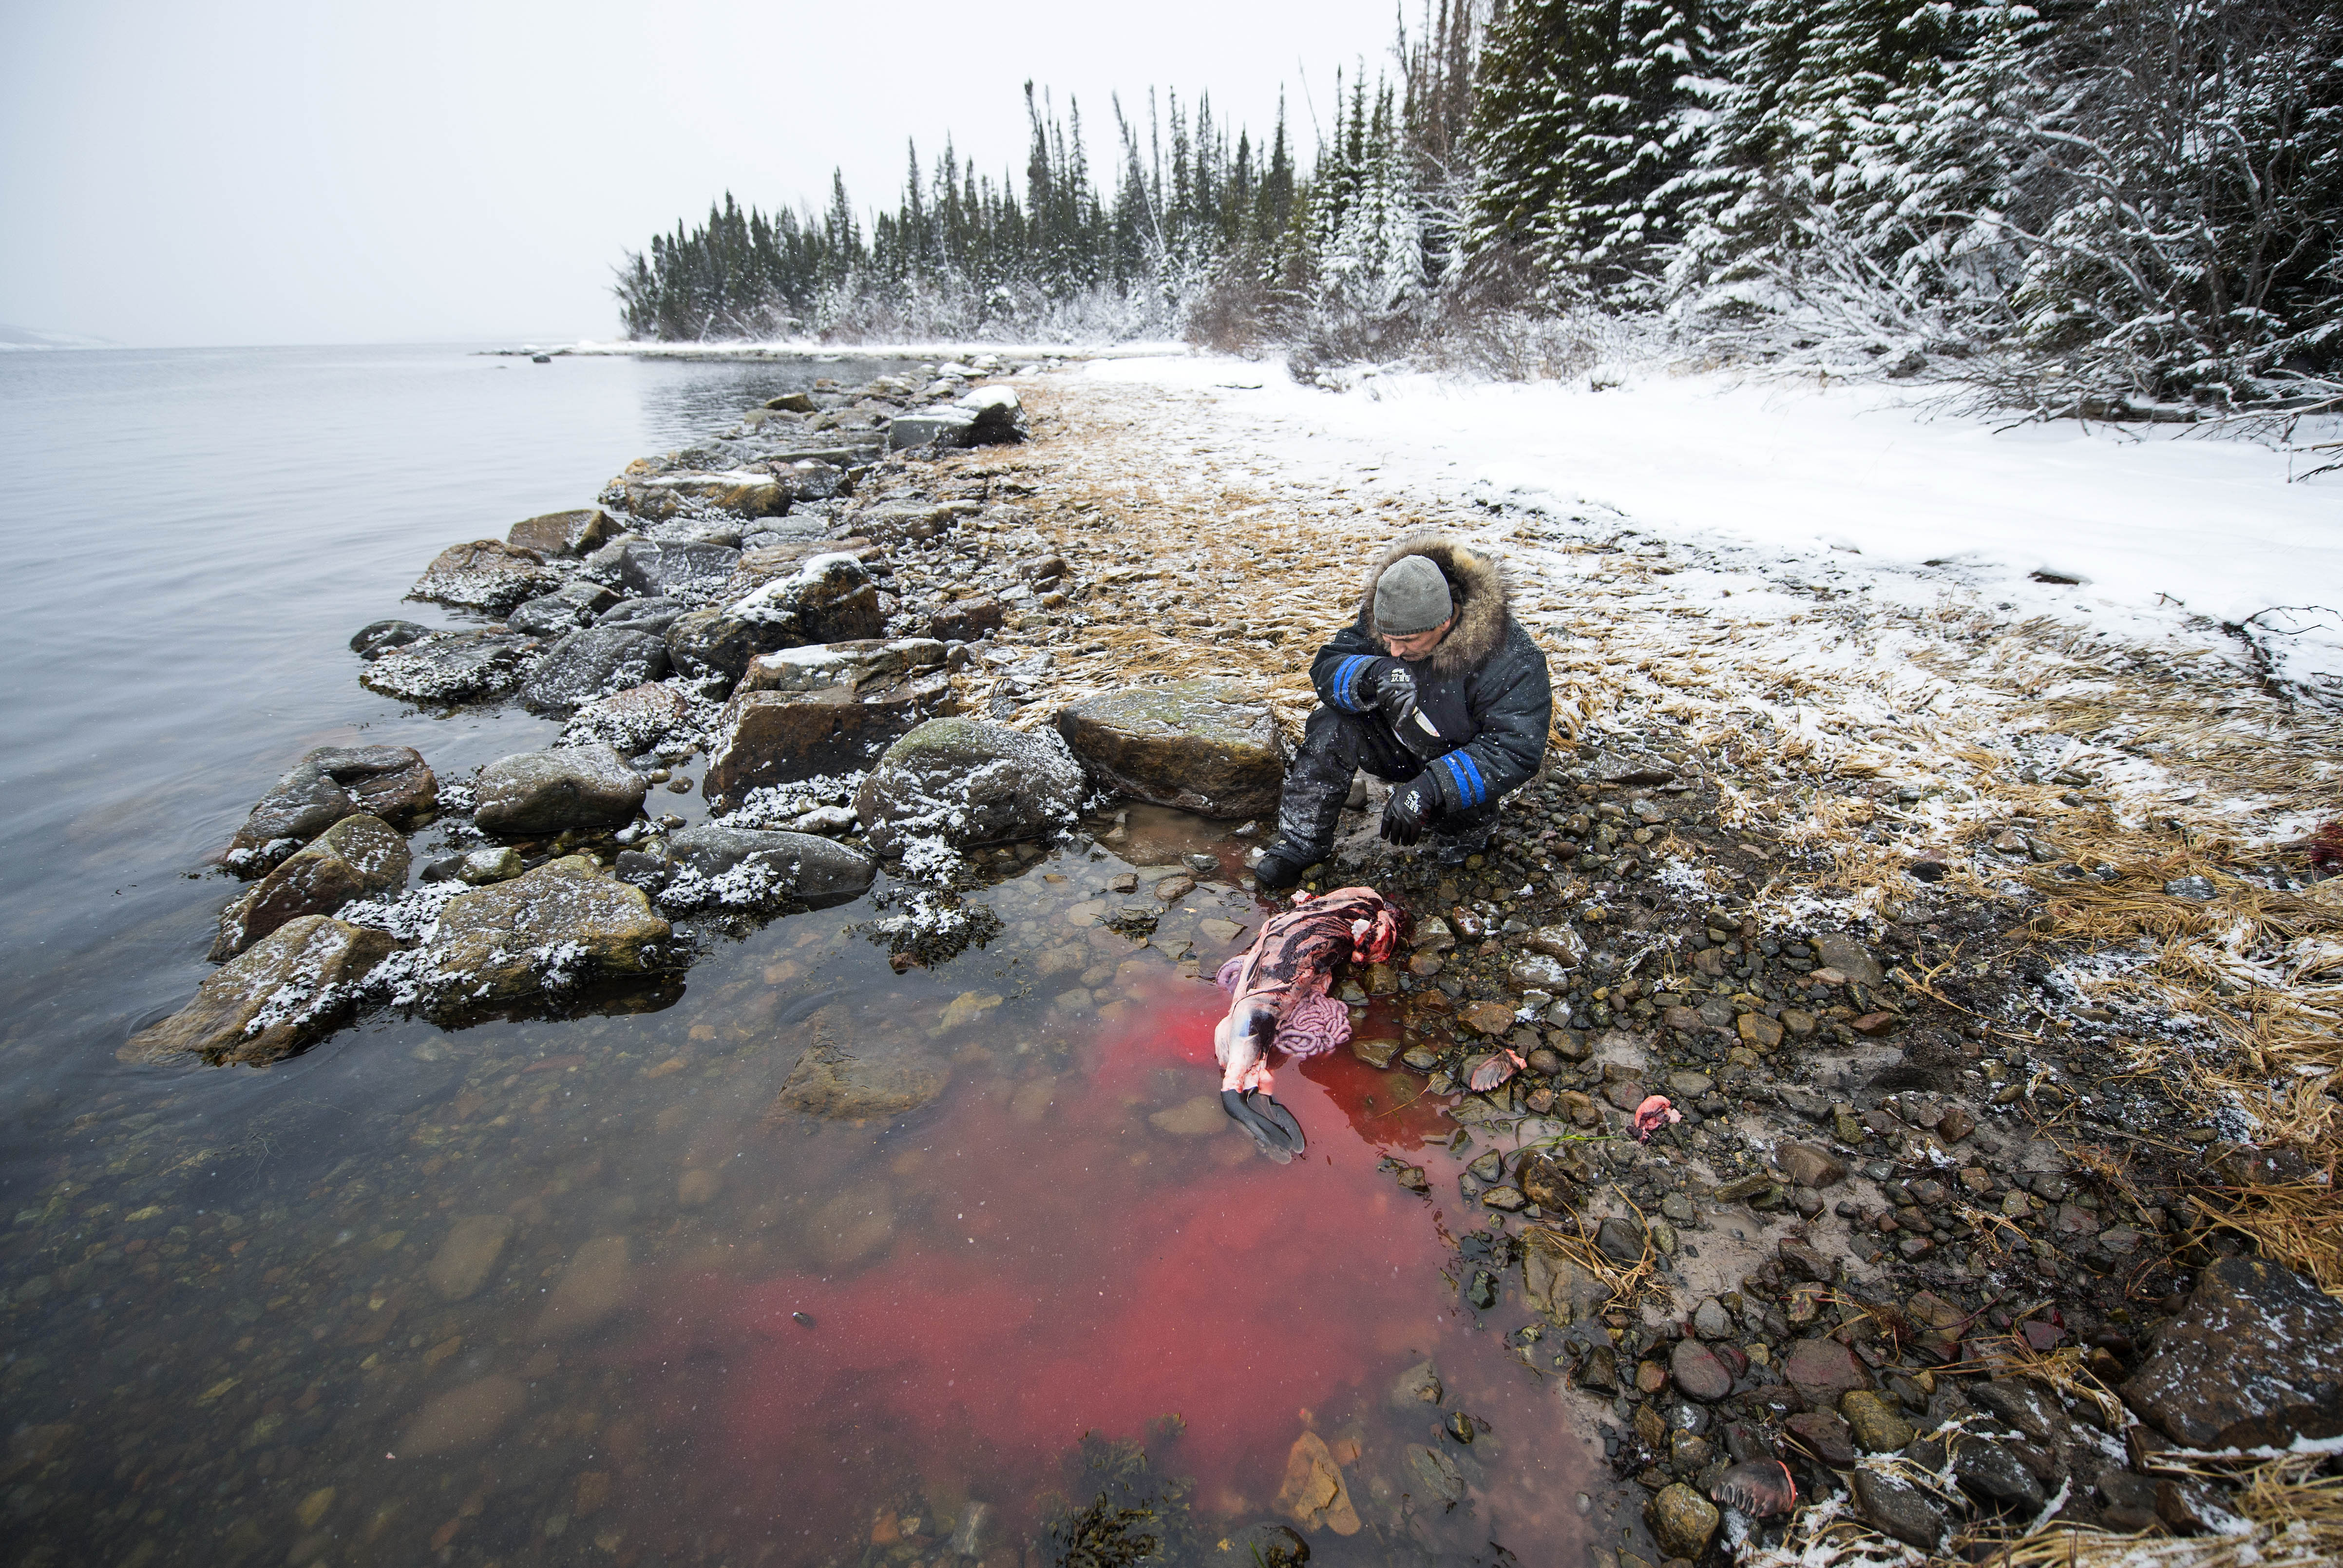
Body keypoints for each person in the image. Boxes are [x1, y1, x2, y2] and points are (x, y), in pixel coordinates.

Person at [1253, 535, 1553, 891]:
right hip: (1395, 742)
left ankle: (1463, 827)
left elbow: (1517, 749)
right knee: (1332, 722)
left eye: (1407, 642)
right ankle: (1301, 842)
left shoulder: (1513, 658)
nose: (1393, 650)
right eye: (1386, 638)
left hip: (1456, 760)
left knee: (1460, 849)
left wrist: (1431, 787)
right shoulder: (1391, 617)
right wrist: (1371, 673)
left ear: (1445, 622)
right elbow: (1327, 666)